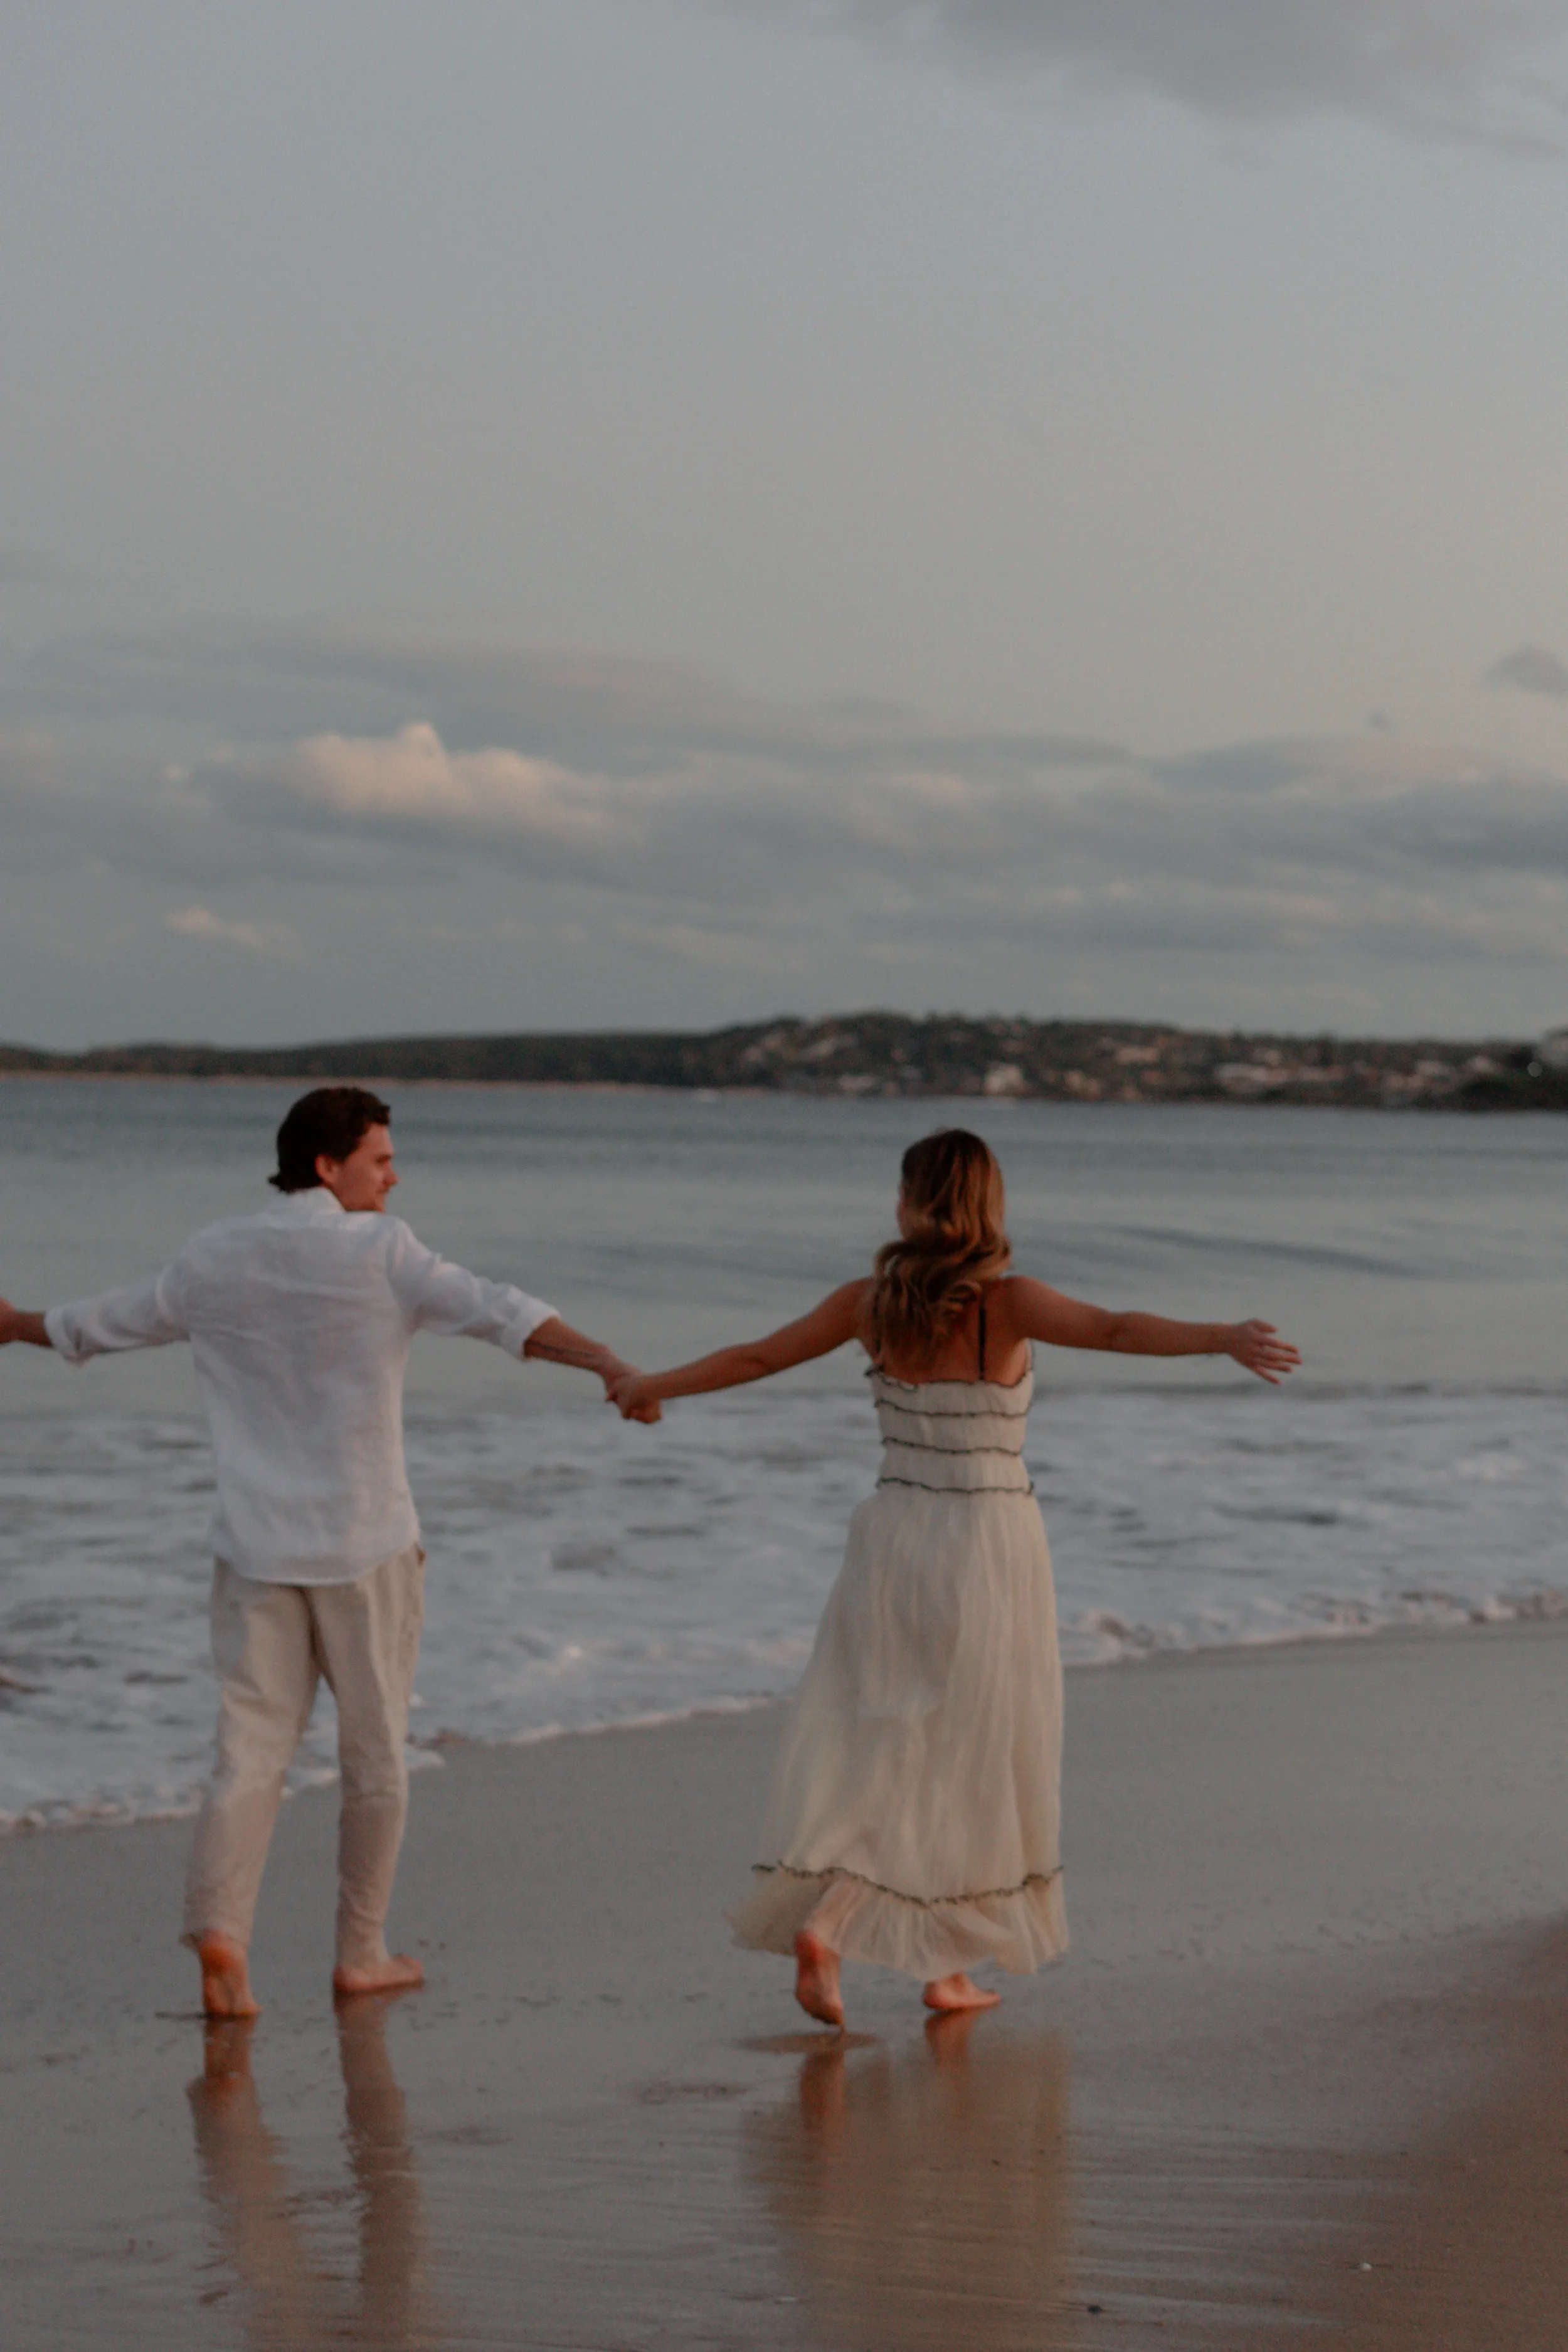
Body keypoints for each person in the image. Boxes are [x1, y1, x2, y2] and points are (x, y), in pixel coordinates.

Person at [612, 1128, 1299, 2028]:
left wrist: (649, 1382)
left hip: (893, 1538)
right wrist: (1223, 1337)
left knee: (893, 1742)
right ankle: (848, 1926)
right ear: (990, 1205)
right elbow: (1117, 1328)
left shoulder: (870, 1303)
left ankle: (942, 1964)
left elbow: (755, 1357)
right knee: (971, 1751)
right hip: (988, 1543)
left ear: (908, 1203)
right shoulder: (1010, 1303)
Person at [0, 1086, 655, 2020]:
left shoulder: (213, 1254)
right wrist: (610, 1363)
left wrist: (14, 1321)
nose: (395, 1176)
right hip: (364, 1545)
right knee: (376, 1755)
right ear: (327, 1165)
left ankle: (222, 1935)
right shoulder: (382, 1251)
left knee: (248, 1749)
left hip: (254, 1548)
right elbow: (500, 1311)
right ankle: (360, 1951)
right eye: (381, 1160)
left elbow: (102, 1323)